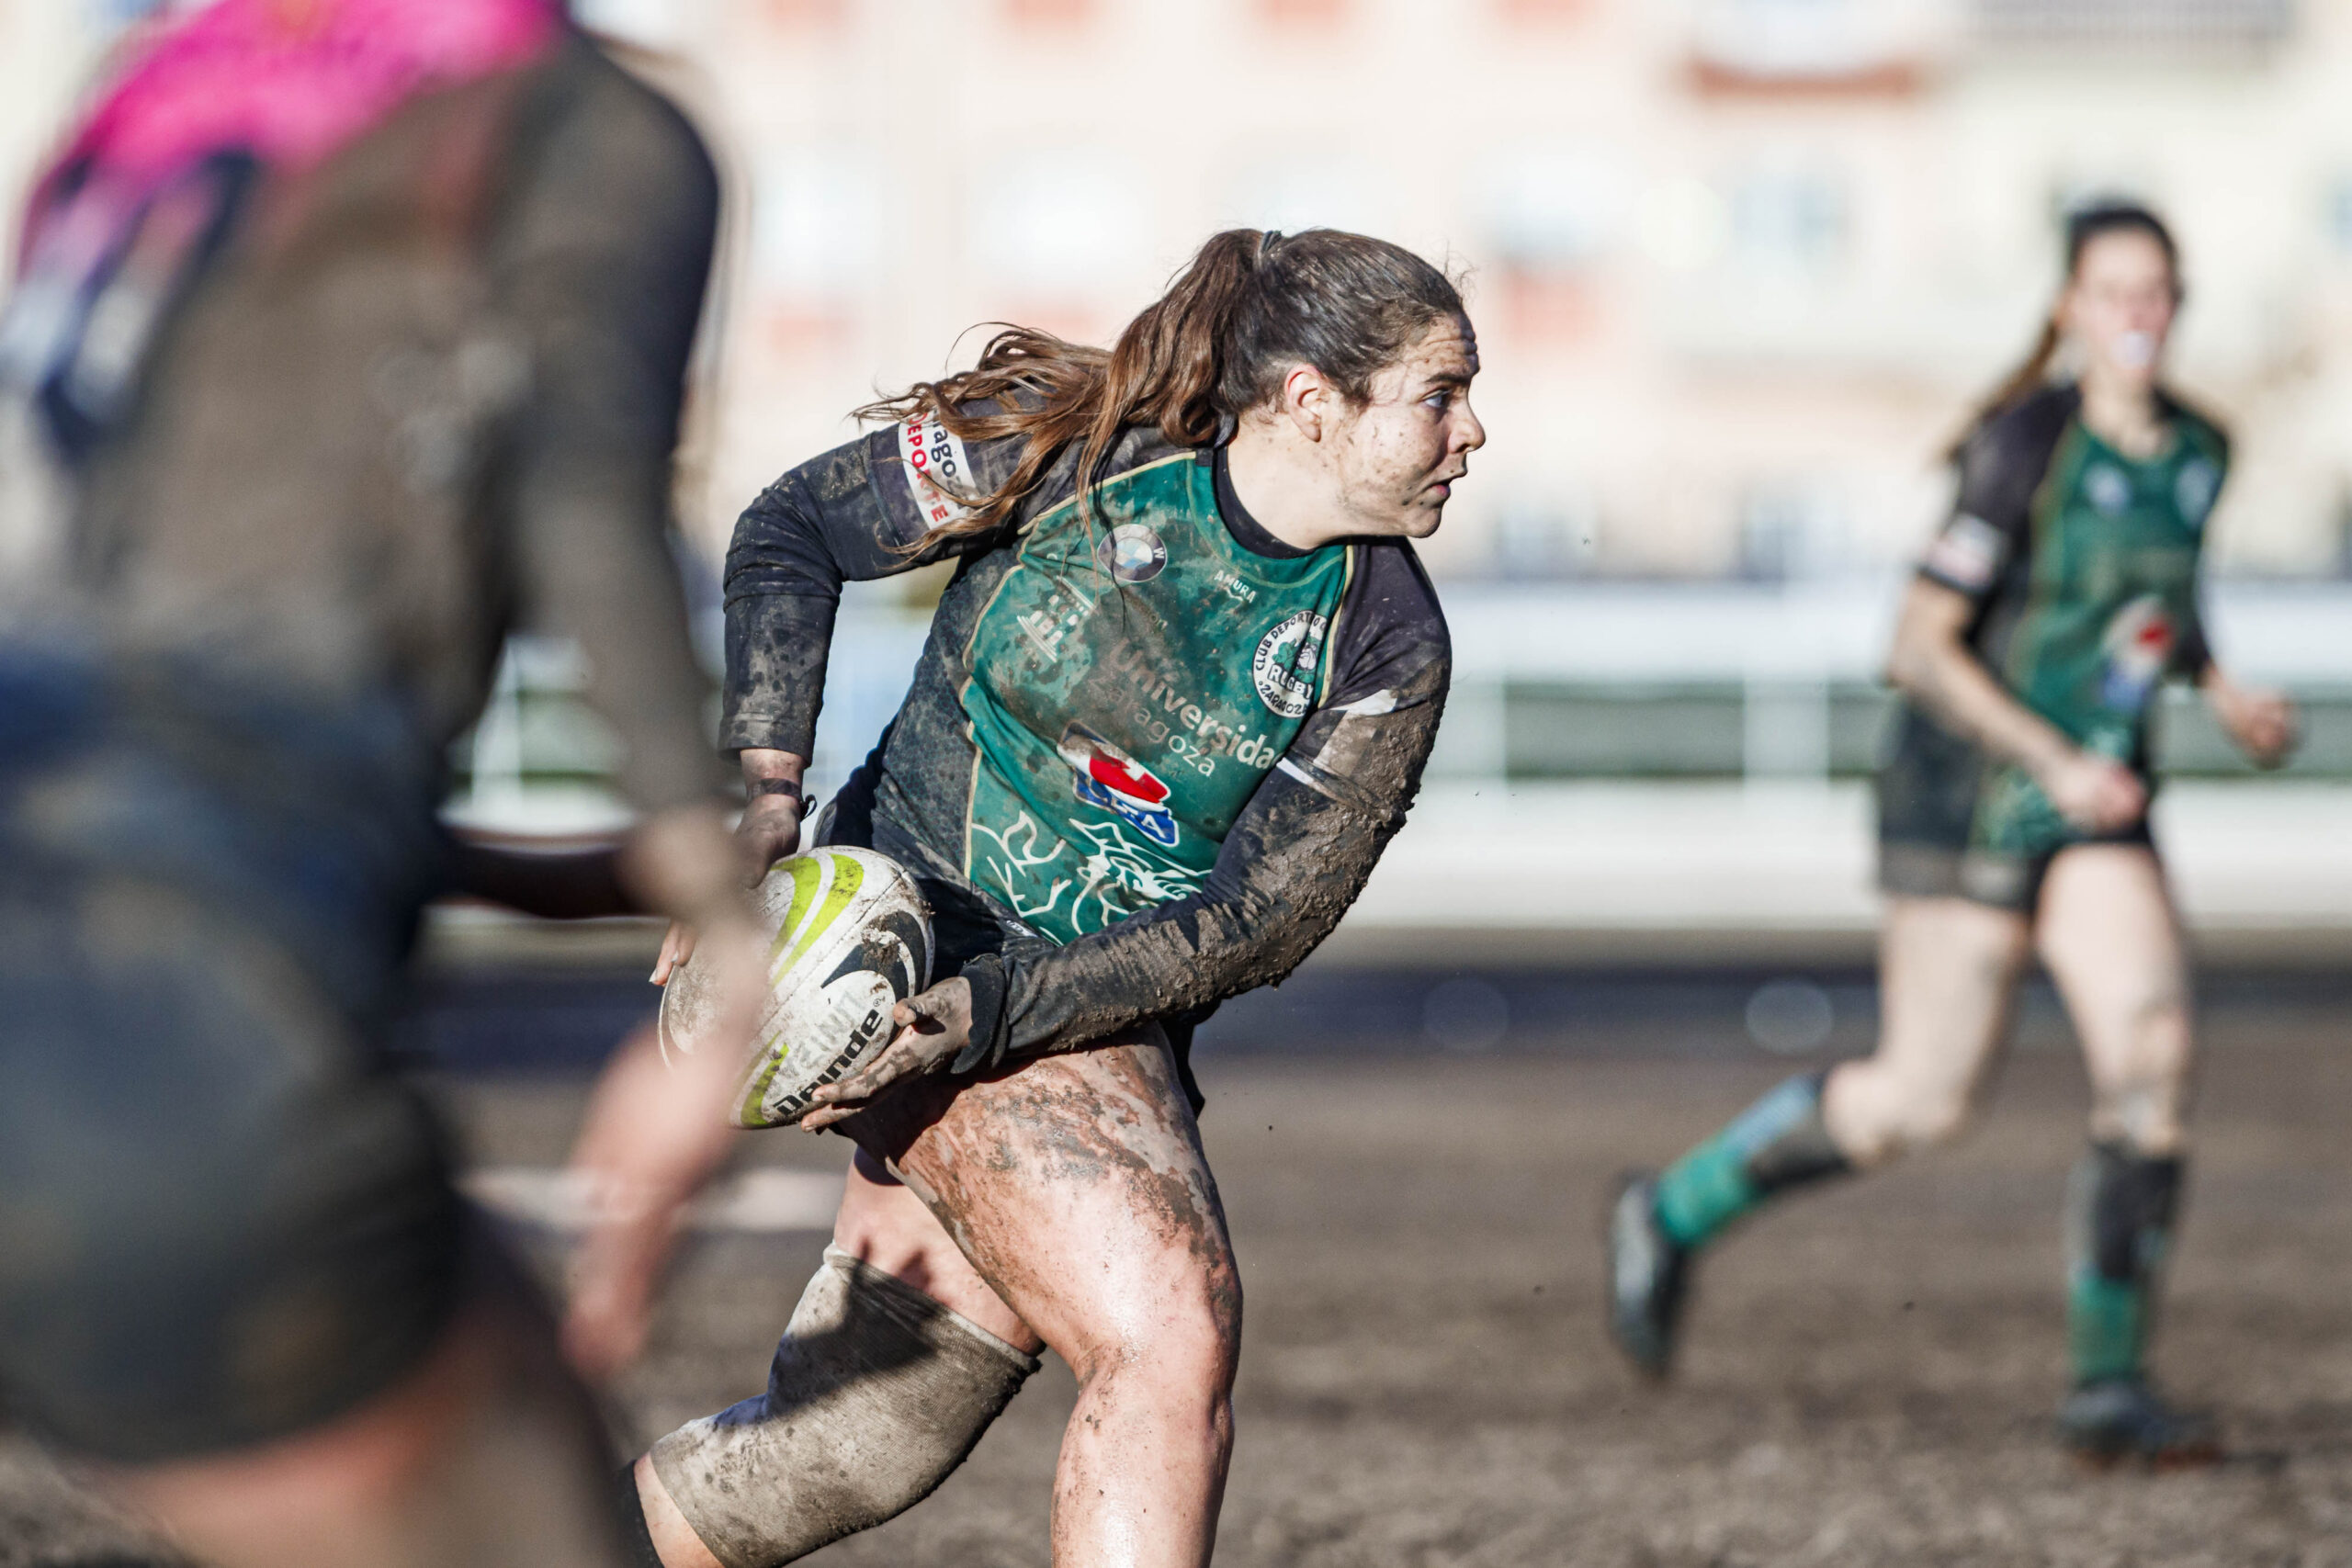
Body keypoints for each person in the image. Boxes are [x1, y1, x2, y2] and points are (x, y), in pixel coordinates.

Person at [0, 2, 765, 1562]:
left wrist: (516, 866)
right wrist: (725, 928)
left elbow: (137, 647)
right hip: (154, 1050)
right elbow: (581, 497)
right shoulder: (578, 120)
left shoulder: (162, 85)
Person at [618, 227, 1480, 1568]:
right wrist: (764, 805)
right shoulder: (1075, 447)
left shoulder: (1387, 645)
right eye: (1441, 393)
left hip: (1041, 1012)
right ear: (1315, 402)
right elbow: (793, 528)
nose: (1473, 432)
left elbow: (1254, 925)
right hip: (908, 932)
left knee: (855, 1440)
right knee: (1164, 1337)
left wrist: (992, 1013)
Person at [1606, 202, 2298, 1464]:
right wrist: (2054, 757)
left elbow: (2153, 600)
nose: (2136, 315)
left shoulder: (2202, 449)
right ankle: (1672, 1208)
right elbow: (1915, 648)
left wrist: (2224, 686)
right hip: (1967, 787)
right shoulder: (2019, 444)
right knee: (1920, 1101)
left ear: (2178, 306)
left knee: (2154, 1048)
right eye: (2112, 292)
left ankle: (2107, 1385)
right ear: (2069, 312)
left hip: (2098, 802)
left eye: (2157, 293)